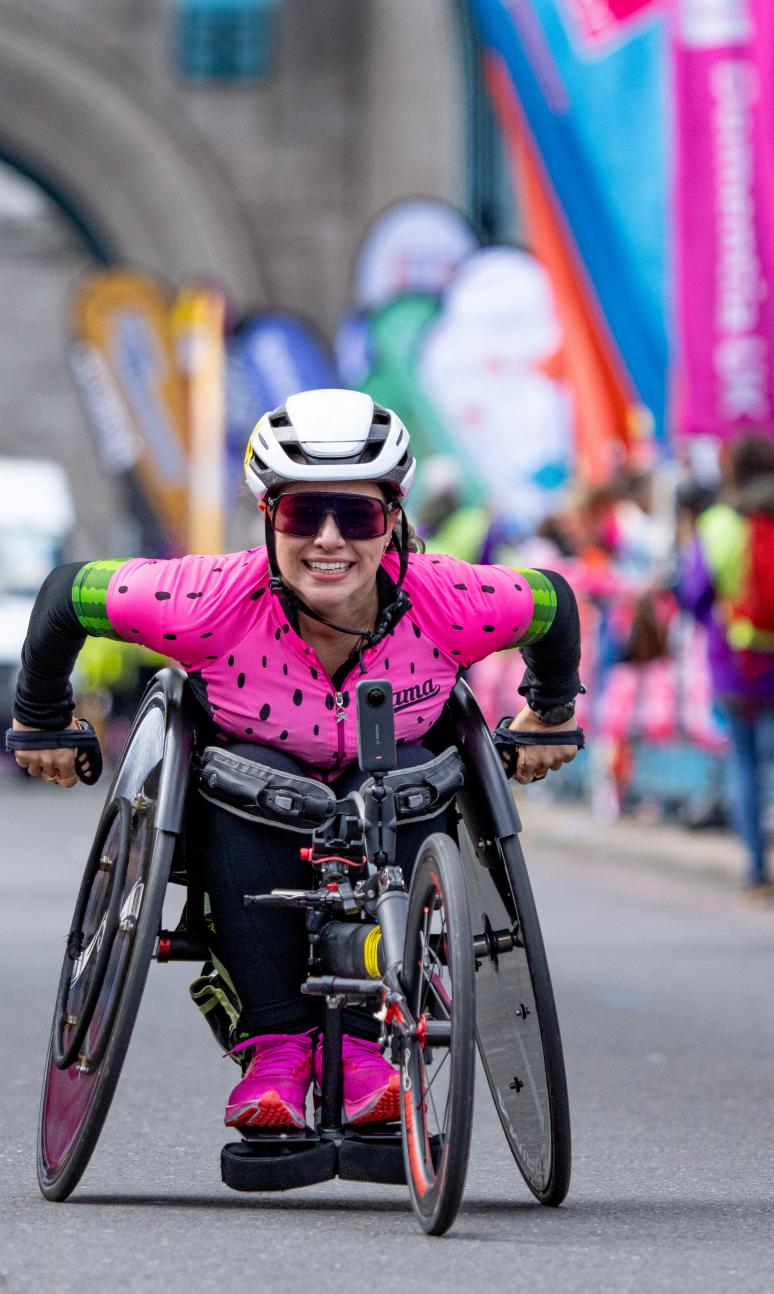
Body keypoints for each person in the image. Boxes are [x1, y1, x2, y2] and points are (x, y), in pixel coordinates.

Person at [9, 389, 583, 1129]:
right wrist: (41, 719)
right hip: (249, 798)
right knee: (251, 784)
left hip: (396, 788)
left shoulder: (451, 598)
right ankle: (278, 1047)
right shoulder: (207, 600)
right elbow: (67, 596)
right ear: (269, 518)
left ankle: (371, 1046)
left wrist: (552, 711)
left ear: (394, 520)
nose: (331, 540)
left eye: (360, 516)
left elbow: (554, 605)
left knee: (407, 774)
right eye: (303, 514)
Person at [679, 433, 774, 900]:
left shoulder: (717, 523)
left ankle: (756, 870)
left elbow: (694, 593)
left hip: (736, 661)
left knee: (744, 764)